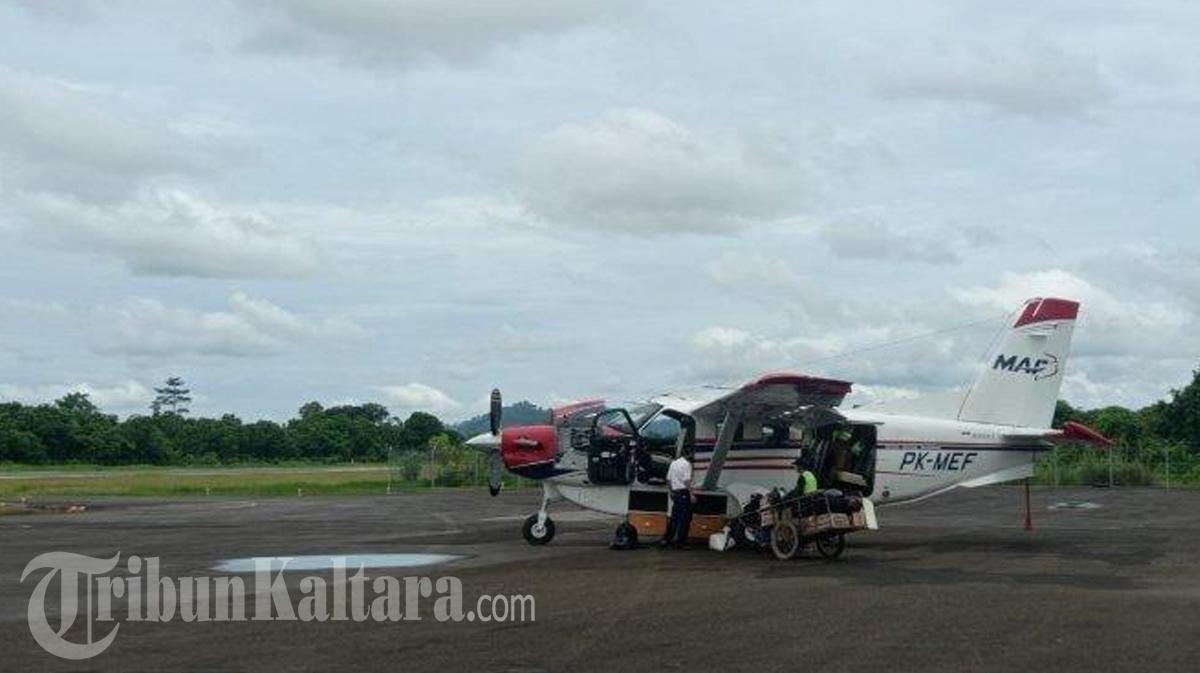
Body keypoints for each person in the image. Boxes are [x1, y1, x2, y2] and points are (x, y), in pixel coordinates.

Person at [661, 449, 696, 548]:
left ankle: (667, 539)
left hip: (676, 492)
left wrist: (671, 491)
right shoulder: (687, 464)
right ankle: (681, 541)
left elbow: (668, 479)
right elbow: (687, 481)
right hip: (684, 492)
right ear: (689, 454)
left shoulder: (674, 463)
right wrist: (692, 494)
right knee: (685, 518)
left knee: (674, 517)